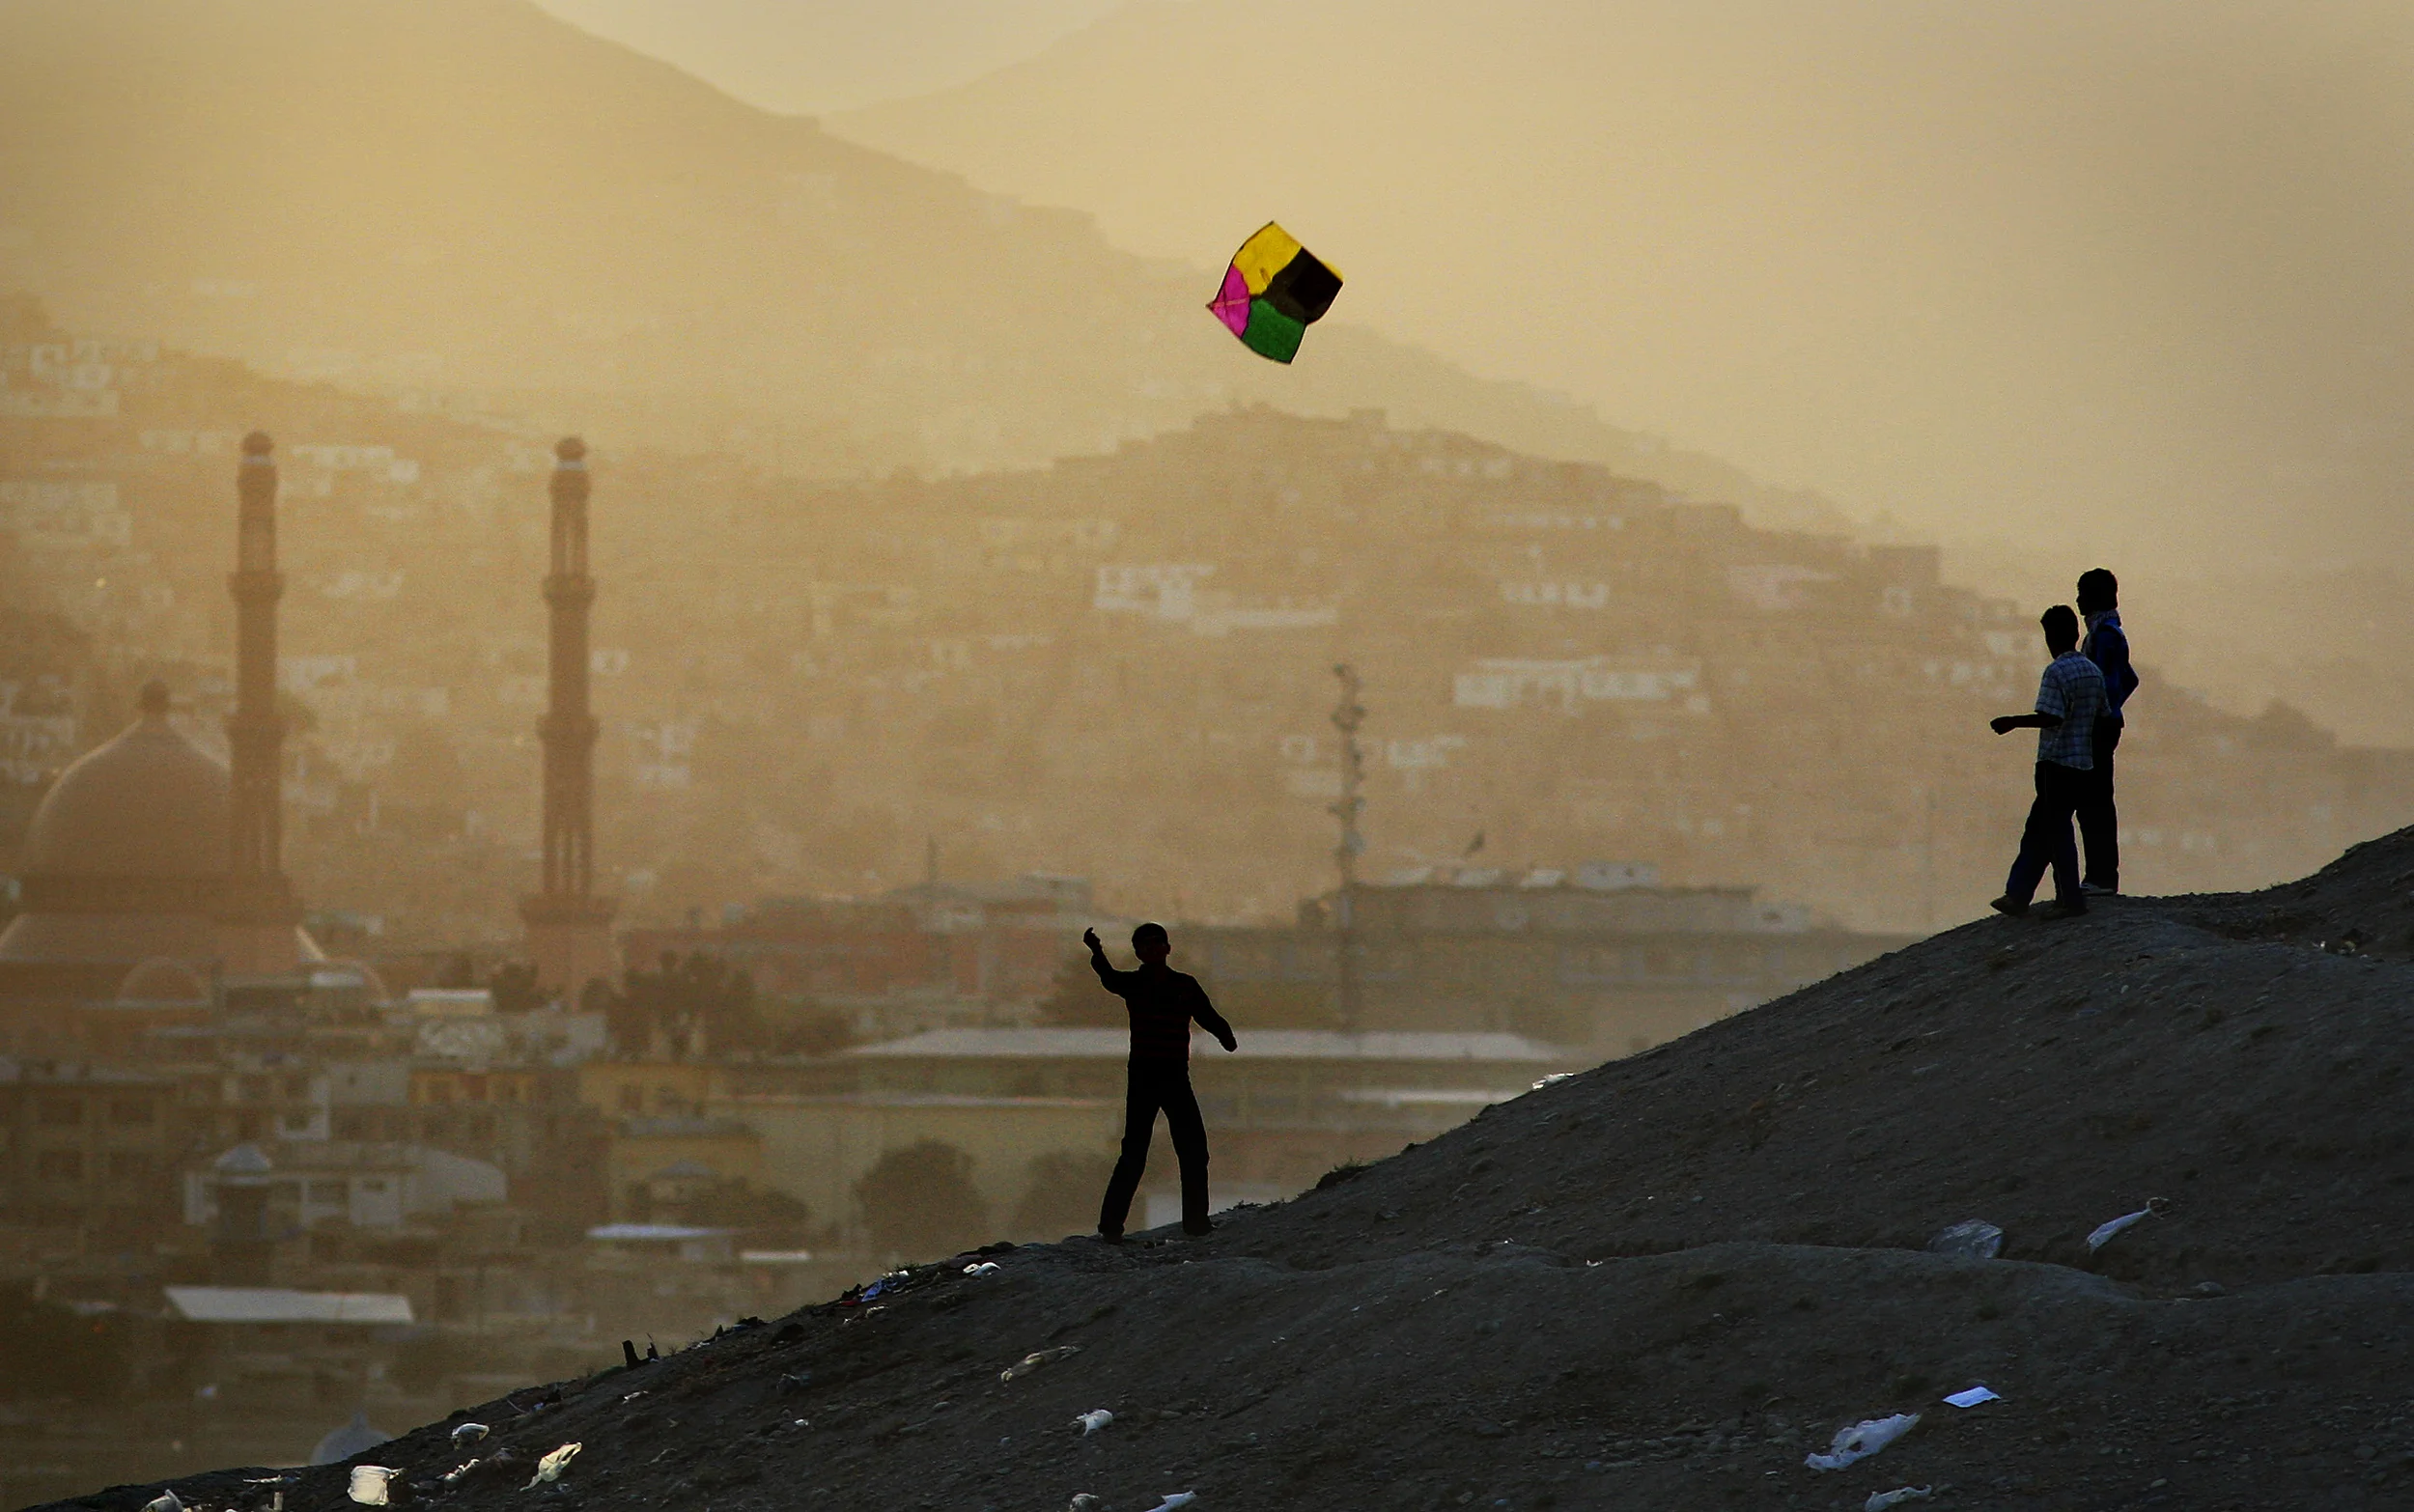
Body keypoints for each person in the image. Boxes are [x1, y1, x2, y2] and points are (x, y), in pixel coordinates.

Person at [1082, 921, 1238, 1240]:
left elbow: (1207, 1015)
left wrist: (1226, 1036)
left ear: (1167, 948)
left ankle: (1195, 1223)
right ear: (1139, 953)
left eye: (1157, 944)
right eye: (1145, 945)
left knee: (1192, 1150)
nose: (1152, 950)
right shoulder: (1137, 985)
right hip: (1144, 1076)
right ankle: (1111, 1227)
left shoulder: (1184, 985)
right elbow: (1108, 978)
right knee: (1136, 1152)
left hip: (1174, 1076)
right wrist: (1096, 951)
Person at [1988, 604, 2107, 918]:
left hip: (2055, 765)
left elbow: (2051, 716)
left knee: (2055, 833)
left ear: (2053, 636)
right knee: (2040, 828)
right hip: (2082, 765)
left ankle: (2069, 899)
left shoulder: (2055, 672)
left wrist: (2012, 721)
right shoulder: (2093, 672)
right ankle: (2018, 894)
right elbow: (2104, 715)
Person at [2074, 568, 2139, 895]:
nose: (2078, 600)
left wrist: (2104, 710)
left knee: (2094, 803)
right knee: (2094, 801)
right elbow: (2130, 679)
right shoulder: (2104, 632)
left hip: (2099, 727)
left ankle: (2101, 877)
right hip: (2104, 723)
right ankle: (2099, 875)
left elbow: (2109, 682)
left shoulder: (2105, 636)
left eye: (2083, 594)